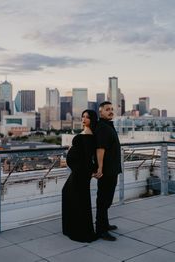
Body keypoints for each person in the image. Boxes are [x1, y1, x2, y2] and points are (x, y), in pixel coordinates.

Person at [62, 109, 98, 243]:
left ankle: (80, 231)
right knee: (73, 195)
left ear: (92, 119)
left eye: (87, 117)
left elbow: (88, 156)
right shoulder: (86, 133)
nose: (84, 119)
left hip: (81, 171)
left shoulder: (90, 135)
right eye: (83, 117)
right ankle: (74, 228)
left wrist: (93, 169)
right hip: (78, 171)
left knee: (79, 198)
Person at [93, 101, 122, 241]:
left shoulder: (108, 125)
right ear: (101, 112)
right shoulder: (103, 127)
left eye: (111, 109)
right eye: (107, 109)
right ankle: (100, 229)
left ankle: (105, 224)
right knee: (103, 201)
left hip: (112, 169)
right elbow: (100, 149)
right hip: (106, 171)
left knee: (107, 200)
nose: (110, 111)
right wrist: (99, 168)